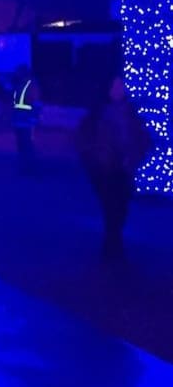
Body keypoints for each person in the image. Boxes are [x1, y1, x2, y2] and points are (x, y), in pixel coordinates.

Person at [76, 76, 151, 262]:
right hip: (104, 170)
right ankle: (112, 245)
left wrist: (136, 154)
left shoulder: (131, 111)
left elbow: (142, 136)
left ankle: (113, 243)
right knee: (111, 207)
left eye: (121, 86)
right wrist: (96, 156)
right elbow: (84, 137)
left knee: (122, 207)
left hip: (123, 168)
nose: (119, 89)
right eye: (115, 86)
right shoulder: (98, 111)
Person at [11, 65, 41, 172]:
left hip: (27, 120)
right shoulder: (19, 84)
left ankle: (30, 167)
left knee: (27, 143)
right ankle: (24, 166)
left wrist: (34, 118)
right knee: (21, 144)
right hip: (19, 119)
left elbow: (36, 102)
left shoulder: (31, 84)